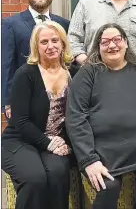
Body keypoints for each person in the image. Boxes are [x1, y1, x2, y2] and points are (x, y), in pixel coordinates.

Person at [66, 23, 136, 209]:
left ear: (126, 43)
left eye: (116, 40)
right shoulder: (87, 73)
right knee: (109, 186)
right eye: (105, 42)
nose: (112, 46)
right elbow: (76, 117)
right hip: (103, 152)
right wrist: (89, 159)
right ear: (98, 46)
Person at [1, 21, 75, 209]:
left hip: (58, 141)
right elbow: (20, 121)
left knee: (58, 174)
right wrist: (48, 143)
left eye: (54, 40)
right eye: (44, 42)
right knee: (35, 178)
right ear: (36, 46)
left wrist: (65, 143)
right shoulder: (25, 74)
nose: (50, 46)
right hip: (21, 140)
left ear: (63, 43)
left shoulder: (73, 72)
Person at [1, 0, 70, 120]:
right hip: (25, 99)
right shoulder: (11, 24)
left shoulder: (64, 24)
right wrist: (7, 102)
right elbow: (6, 64)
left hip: (58, 100)